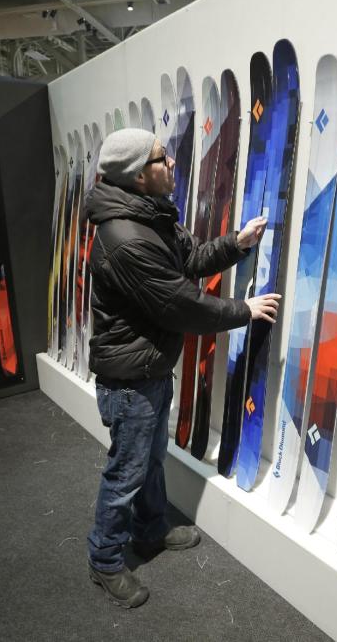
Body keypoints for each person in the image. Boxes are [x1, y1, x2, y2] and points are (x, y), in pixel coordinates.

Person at [84, 128, 280, 608]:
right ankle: (105, 559)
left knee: (151, 460)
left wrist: (236, 243)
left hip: (148, 368)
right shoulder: (126, 238)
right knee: (126, 471)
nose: (171, 164)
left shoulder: (150, 214)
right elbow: (180, 304)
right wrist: (243, 311)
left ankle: (149, 530)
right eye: (161, 158)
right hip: (130, 380)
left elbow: (188, 261)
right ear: (138, 176)